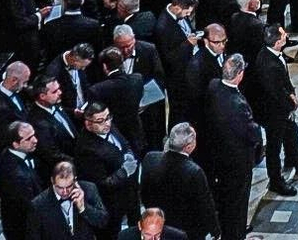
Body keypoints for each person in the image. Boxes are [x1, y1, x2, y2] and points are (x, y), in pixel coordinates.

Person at [248, 23, 298, 195]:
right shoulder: (269, 65)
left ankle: (296, 159)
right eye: (283, 35)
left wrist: (290, 92)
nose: (286, 35)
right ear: (277, 43)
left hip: (280, 107)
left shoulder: (272, 54)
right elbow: (276, 92)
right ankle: (276, 181)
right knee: (274, 147)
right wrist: (292, 103)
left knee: (291, 131)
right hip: (273, 112)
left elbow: (283, 82)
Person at [203, 55, 262, 240]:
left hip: (219, 153)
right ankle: (236, 234)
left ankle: (229, 229)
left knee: (225, 197)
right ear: (240, 74)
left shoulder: (213, 86)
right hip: (237, 159)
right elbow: (250, 131)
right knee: (238, 200)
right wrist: (260, 133)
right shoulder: (237, 104)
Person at [139, 123, 220, 240]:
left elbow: (144, 193)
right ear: (189, 147)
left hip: (157, 224)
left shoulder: (150, 158)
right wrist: (215, 230)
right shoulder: (194, 171)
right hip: (186, 230)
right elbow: (205, 206)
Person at [71, 101, 140, 235]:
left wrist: (129, 154)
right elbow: (102, 183)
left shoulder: (108, 126)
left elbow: (124, 143)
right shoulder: (86, 149)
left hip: (130, 192)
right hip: (112, 203)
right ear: (88, 124)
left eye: (108, 117)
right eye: (100, 121)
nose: (107, 123)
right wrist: (124, 171)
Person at [24, 160, 110, 240]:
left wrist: (83, 208)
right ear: (52, 181)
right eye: (60, 187)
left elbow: (103, 222)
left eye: (69, 186)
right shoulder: (38, 204)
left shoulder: (89, 189)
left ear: (75, 180)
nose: (65, 192)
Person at [0, 121, 42, 240]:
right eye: (29, 138)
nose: (35, 140)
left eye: (34, 135)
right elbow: (30, 207)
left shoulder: (11, 153)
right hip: (24, 228)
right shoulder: (17, 176)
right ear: (15, 144)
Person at [119, 207, 189, 240]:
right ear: (140, 226)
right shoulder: (125, 237)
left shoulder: (178, 237)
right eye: (148, 234)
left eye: (157, 234)